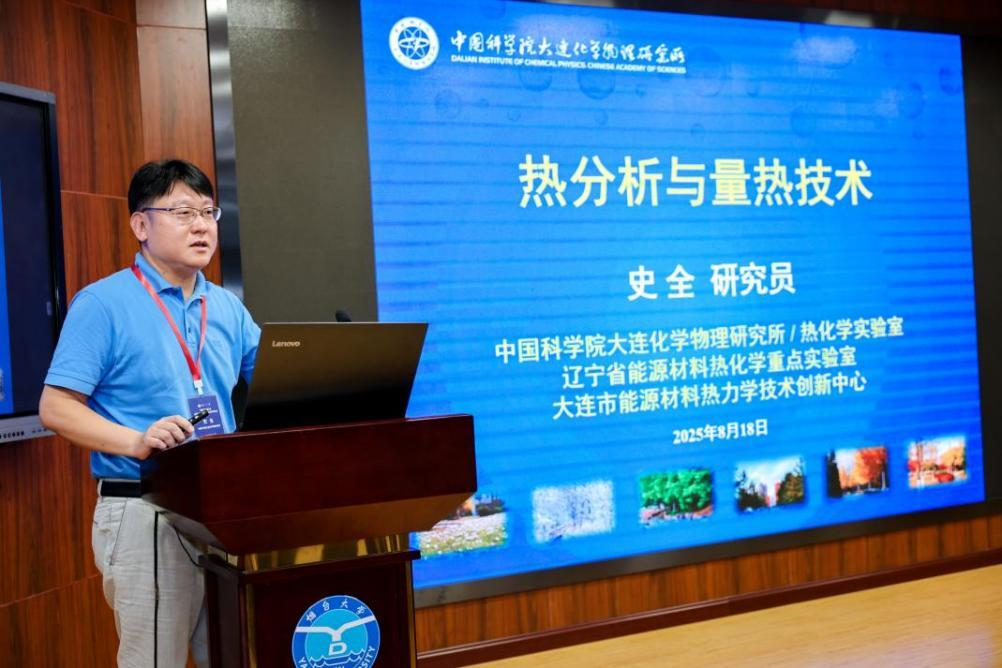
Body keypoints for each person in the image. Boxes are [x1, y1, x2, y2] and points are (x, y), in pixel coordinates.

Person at [39, 159, 260, 668]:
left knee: (233, 654)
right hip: (146, 508)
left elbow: (279, 381)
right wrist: (136, 441)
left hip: (222, 509)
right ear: (141, 225)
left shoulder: (226, 307)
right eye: (183, 212)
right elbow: (56, 407)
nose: (201, 225)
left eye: (207, 212)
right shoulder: (103, 304)